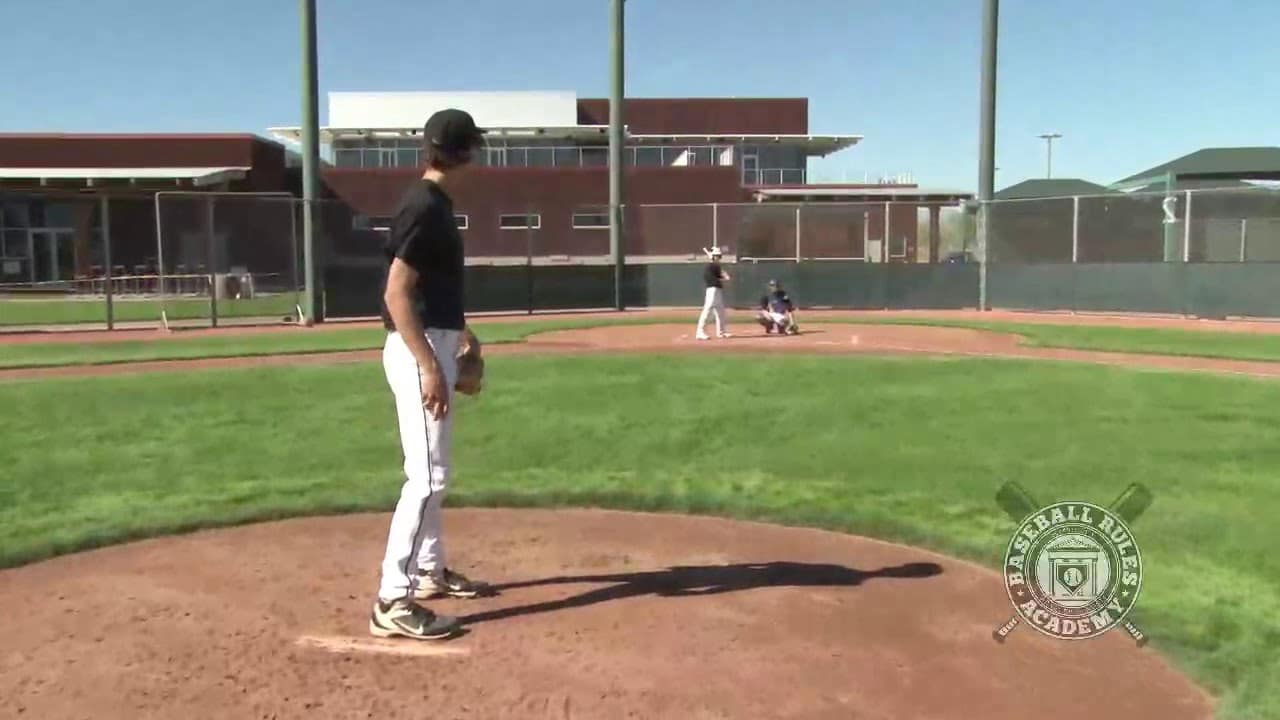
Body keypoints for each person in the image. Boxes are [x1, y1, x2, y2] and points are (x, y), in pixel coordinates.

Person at [371, 108, 491, 641]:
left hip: (436, 342)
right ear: (467, 153)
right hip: (418, 350)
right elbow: (396, 293)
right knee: (427, 475)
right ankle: (392, 599)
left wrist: (462, 335)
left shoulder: (435, 204)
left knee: (435, 468)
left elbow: (429, 292)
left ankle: (427, 570)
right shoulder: (424, 206)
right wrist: (429, 367)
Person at [695, 246, 731, 340]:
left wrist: (724, 275)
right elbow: (710, 279)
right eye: (717, 256)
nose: (719, 258)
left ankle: (721, 332)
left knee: (720, 311)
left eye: (719, 256)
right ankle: (700, 332)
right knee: (707, 310)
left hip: (718, 290)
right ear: (714, 256)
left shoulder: (716, 266)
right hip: (712, 290)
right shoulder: (710, 266)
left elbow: (720, 274)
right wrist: (723, 279)